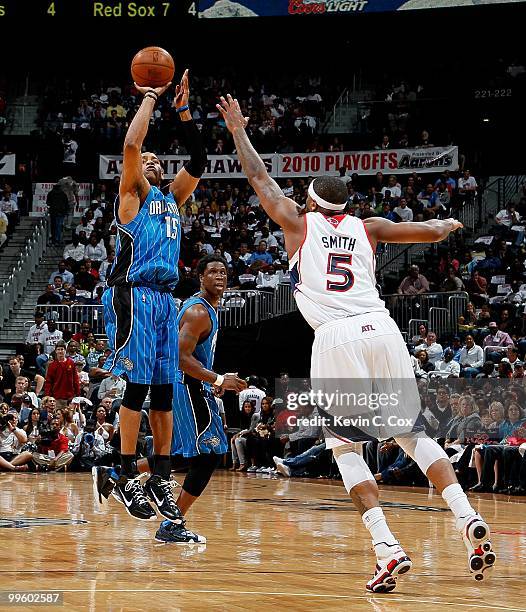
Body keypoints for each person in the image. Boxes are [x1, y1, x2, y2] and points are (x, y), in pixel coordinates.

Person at [217, 94, 495, 591]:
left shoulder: (298, 225)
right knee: (410, 434)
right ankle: (466, 516)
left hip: (337, 337)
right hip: (383, 329)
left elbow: (259, 177)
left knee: (345, 448)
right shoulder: (369, 228)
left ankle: (386, 546)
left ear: (311, 201)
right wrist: (449, 224)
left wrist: (239, 129)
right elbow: (431, 232)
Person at [97, 69, 209, 522]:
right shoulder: (130, 198)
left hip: (164, 300)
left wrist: (182, 112)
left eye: (158, 159)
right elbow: (130, 146)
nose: (153, 161)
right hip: (133, 294)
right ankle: (125, 473)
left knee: (164, 392)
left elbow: (199, 159)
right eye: (148, 160)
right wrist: (149, 97)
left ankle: (159, 473)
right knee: (139, 387)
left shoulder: (170, 199)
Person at [94, 255, 246, 543]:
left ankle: (113, 474)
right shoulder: (197, 312)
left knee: (180, 453)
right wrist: (215, 379)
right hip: (186, 387)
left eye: (224, 272)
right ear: (200, 277)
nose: (220, 276)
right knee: (209, 454)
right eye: (212, 271)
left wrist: (210, 377)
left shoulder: (207, 309)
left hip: (190, 386)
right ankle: (172, 524)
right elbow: (180, 357)